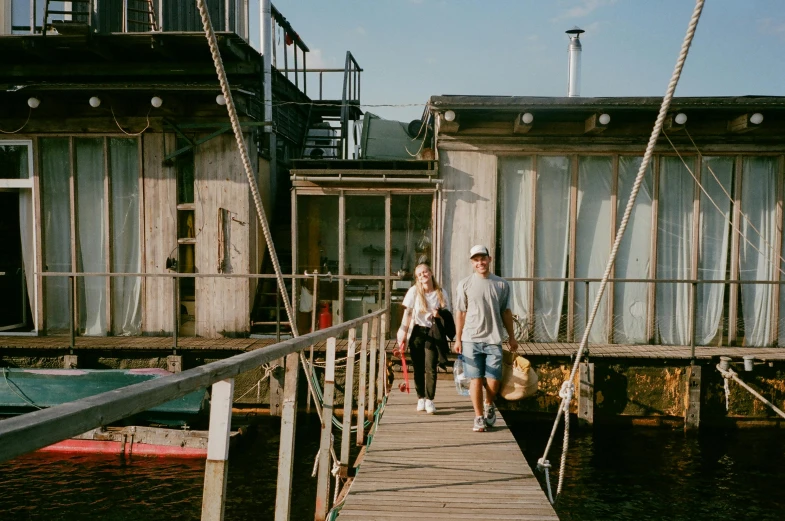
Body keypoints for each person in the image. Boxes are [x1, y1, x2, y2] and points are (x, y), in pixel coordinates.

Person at [454, 245, 519, 432]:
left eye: (483, 258)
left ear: (489, 260)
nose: (480, 262)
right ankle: (479, 417)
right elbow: (460, 313)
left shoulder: (501, 284)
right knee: (475, 378)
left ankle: (489, 403)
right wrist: (458, 339)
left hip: (494, 339)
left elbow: (506, 312)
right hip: (470, 339)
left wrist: (512, 337)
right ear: (472, 263)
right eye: (476, 260)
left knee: (493, 378)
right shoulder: (464, 284)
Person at [396, 263, 450, 414]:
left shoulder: (441, 292)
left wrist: (438, 314)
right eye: (419, 274)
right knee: (418, 366)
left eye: (425, 272)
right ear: (417, 279)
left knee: (431, 366)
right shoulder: (414, 291)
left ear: (431, 273)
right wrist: (403, 333)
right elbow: (407, 314)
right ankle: (421, 397)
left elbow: (448, 314)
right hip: (417, 331)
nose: (423, 276)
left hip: (433, 331)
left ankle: (430, 399)